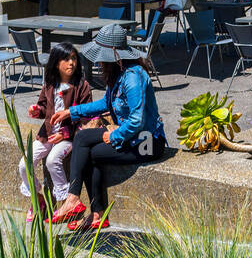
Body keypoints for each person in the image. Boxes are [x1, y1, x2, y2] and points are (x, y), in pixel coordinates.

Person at [50, 25, 167, 232]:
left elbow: (137, 120)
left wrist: (114, 135)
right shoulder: (118, 73)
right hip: (132, 137)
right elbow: (106, 103)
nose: (99, 61)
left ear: (115, 55)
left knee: (89, 152)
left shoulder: (133, 76)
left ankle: (94, 211)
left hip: (147, 143)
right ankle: (77, 201)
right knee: (83, 140)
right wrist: (71, 112)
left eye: (102, 56)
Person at [20, 43, 94, 222]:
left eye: (74, 59)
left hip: (68, 136)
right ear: (56, 63)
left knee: (53, 160)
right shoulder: (50, 84)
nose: (71, 63)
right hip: (47, 134)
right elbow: (45, 107)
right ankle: (37, 198)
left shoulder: (82, 86)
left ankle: (65, 204)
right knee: (24, 164)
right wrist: (36, 110)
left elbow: (85, 116)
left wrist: (66, 133)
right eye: (66, 59)